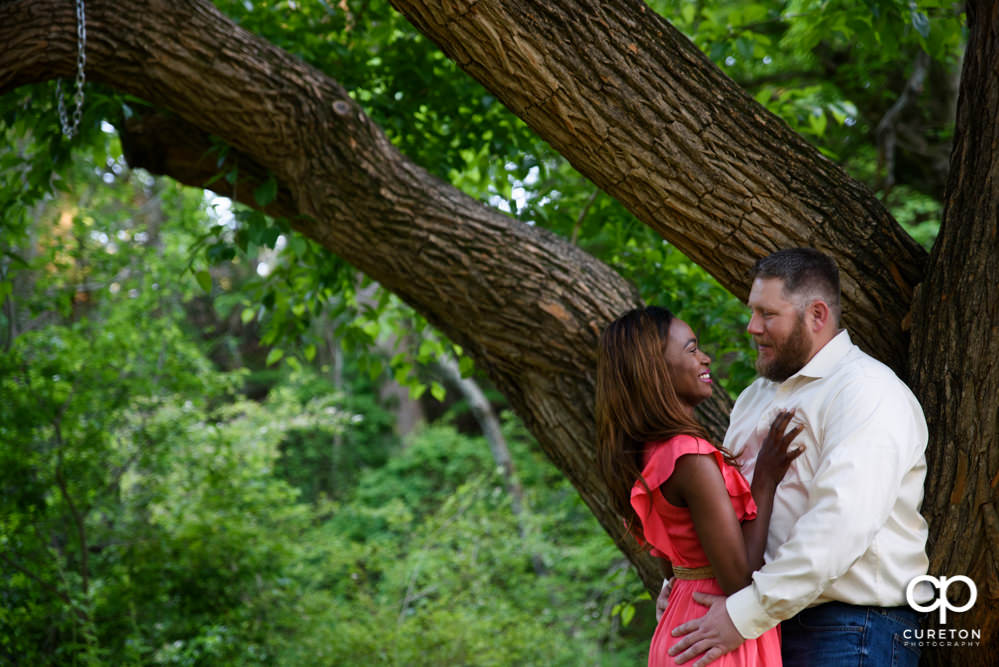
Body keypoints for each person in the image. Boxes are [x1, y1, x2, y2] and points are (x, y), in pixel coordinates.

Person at [666, 248, 931, 667]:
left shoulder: (866, 392)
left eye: (768, 314)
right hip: (765, 624)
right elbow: (733, 509)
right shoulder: (755, 397)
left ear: (817, 316)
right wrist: (691, 575)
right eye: (752, 312)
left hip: (850, 628)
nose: (752, 327)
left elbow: (838, 528)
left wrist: (741, 616)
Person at [596, 305, 804, 666]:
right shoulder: (689, 455)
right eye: (691, 350)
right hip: (716, 630)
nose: (705, 358)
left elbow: (672, 561)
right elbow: (739, 580)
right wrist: (766, 480)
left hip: (682, 623)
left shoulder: (649, 453)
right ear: (655, 370)